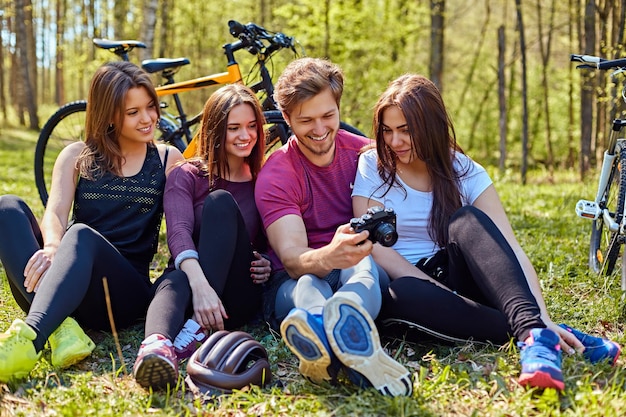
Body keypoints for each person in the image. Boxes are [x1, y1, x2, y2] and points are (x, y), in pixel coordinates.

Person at [352, 73, 621, 391]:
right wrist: (436, 289)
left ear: (431, 126)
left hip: (463, 279)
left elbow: (509, 248)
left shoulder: (465, 171)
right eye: (387, 131)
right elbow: (374, 246)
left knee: (466, 220)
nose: (394, 142)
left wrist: (542, 313)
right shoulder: (373, 166)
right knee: (403, 293)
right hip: (413, 289)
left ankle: (535, 333)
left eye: (406, 131)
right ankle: (543, 332)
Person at [0, 61, 183, 383]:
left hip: (122, 295)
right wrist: (53, 246)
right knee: (7, 208)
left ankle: (32, 337)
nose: (147, 119)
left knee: (81, 235)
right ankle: (63, 330)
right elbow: (55, 213)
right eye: (133, 112)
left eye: (150, 107)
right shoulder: (77, 155)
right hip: (66, 281)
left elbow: (185, 224)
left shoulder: (168, 159)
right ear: (109, 114)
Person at [255, 57, 412, 397]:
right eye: (306, 120)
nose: (320, 129)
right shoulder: (277, 174)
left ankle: (342, 323)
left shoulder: (364, 155)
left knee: (361, 260)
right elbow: (294, 259)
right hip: (294, 282)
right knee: (308, 281)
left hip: (360, 268)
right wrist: (329, 254)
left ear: (338, 108)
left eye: (328, 116)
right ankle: (337, 334)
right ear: (286, 118)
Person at [132, 84, 272, 389]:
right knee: (175, 278)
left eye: (251, 126)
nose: (245, 135)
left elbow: (274, 238)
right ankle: (157, 347)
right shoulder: (187, 174)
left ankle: (196, 328)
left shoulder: (264, 178)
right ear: (215, 130)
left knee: (220, 203)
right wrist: (201, 286)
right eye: (234, 127)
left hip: (235, 297)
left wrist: (270, 262)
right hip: (191, 285)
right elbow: (179, 232)